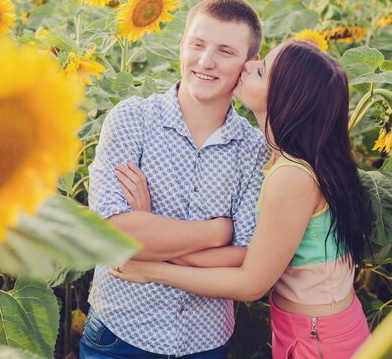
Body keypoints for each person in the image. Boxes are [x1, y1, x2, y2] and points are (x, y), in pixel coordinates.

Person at [110, 40, 372, 359]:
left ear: (286, 100)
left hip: (318, 340)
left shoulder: (292, 177)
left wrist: (153, 268)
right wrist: (153, 230)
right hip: (312, 328)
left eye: (261, 71)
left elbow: (251, 284)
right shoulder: (295, 160)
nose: (249, 65)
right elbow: (248, 257)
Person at [81, 0, 269, 359]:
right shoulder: (132, 120)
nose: (206, 61)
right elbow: (113, 234)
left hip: (206, 342)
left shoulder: (254, 148)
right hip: (121, 335)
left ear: (249, 64)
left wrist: (150, 235)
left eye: (226, 51)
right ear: (182, 45)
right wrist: (218, 232)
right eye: (197, 44)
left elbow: (247, 257)